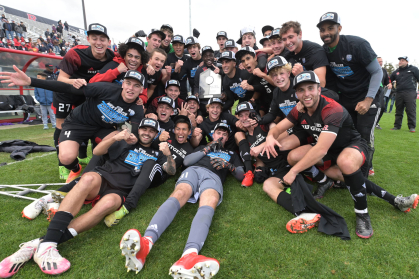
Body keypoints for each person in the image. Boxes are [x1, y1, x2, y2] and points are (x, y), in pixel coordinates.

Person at [0, 118, 175, 277]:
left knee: (108, 204)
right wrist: (116, 138)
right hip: (102, 178)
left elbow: (171, 171)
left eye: (151, 131)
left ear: (156, 134)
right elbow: (98, 151)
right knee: (87, 178)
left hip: (120, 190)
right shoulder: (126, 143)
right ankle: (48, 243)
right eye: (144, 129)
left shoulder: (157, 154)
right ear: (139, 130)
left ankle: (41, 243)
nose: (147, 133)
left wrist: (168, 154)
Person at [262, 70, 419, 238]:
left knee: (346, 163)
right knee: (294, 157)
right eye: (301, 90)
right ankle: (328, 182)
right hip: (330, 151)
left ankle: (362, 213)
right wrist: (270, 137)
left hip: (351, 146)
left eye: (310, 88)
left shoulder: (331, 108)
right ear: (296, 94)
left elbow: (320, 149)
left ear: (319, 89)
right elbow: (278, 128)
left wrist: (293, 172)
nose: (306, 94)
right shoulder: (298, 109)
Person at [119, 123, 245, 276]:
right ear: (213, 135)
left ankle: (189, 256)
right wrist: (208, 148)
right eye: (219, 133)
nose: (221, 136)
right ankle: (145, 244)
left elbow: (240, 175)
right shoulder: (202, 147)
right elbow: (187, 162)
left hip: (214, 176)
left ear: (227, 138)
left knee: (210, 200)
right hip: (193, 171)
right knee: (179, 193)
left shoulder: (231, 153)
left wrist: (229, 166)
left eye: (225, 134)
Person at [1, 66, 146, 184]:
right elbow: (66, 88)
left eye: (136, 86)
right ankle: (75, 169)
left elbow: (133, 128)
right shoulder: (105, 89)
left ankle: (106, 170)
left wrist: (130, 136)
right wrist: (30, 81)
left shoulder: (138, 108)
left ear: (141, 90)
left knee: (119, 140)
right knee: (66, 158)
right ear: (123, 84)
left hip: (102, 128)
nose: (131, 88)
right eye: (128, 83)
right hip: (78, 123)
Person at [317, 12, 383, 177]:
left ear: (339, 28)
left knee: (364, 133)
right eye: (322, 29)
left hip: (369, 95)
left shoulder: (357, 44)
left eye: (330, 28)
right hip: (347, 98)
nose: (326, 33)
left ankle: (365, 172)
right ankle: (349, 166)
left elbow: (377, 72)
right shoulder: (324, 51)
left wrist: (368, 100)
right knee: (348, 135)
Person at [52, 23, 115, 180]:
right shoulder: (75, 53)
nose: (98, 43)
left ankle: (84, 156)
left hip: (89, 95)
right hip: (67, 93)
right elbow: (61, 78)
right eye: (94, 38)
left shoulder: (112, 56)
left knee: (94, 123)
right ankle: (63, 165)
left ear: (108, 41)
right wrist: (75, 81)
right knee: (62, 124)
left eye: (102, 39)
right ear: (88, 39)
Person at [89, 37, 149, 105]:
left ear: (141, 60)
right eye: (130, 55)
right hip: (103, 103)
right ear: (124, 56)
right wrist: (116, 71)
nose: (133, 59)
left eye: (137, 57)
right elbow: (92, 82)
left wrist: (140, 100)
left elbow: (144, 95)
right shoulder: (115, 64)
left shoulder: (142, 72)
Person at [280, 21, 333, 89]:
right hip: (303, 92)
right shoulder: (288, 54)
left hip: (326, 93)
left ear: (300, 34)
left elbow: (321, 84)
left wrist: (302, 75)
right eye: (284, 39)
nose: (287, 42)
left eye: (291, 37)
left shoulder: (315, 51)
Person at [390, 56, 419, 133]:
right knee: (398, 110)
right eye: (400, 60)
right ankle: (397, 126)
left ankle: (412, 127)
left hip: (410, 92)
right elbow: (389, 79)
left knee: (410, 110)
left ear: (407, 62)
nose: (400, 62)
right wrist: (389, 83)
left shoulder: (414, 69)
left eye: (402, 60)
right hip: (399, 92)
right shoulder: (396, 71)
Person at [375, 57, 391, 130]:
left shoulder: (384, 70)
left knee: (382, 107)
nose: (380, 63)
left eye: (381, 61)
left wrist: (389, 84)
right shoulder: (371, 69)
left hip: (380, 90)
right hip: (371, 89)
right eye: (379, 61)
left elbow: (387, 81)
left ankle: (376, 122)